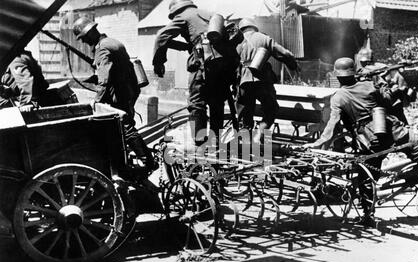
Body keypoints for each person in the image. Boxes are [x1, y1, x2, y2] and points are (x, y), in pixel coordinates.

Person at [304, 57, 418, 226]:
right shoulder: (369, 85)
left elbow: (332, 126)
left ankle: (367, 215)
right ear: (353, 72)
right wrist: (384, 86)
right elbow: (390, 102)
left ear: (337, 76)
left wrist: (316, 144)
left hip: (370, 141)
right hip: (392, 130)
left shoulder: (338, 97)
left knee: (367, 176)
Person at [152, 0, 241, 147]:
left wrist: (158, 62)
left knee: (196, 102)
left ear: (175, 11)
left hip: (204, 63)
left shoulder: (183, 16)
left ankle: (199, 143)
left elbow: (161, 36)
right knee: (216, 102)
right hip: (224, 63)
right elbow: (193, 42)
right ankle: (215, 142)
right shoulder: (206, 14)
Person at [73, 17, 156, 171]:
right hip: (128, 90)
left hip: (120, 94)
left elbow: (105, 79)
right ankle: (126, 161)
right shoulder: (111, 42)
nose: (83, 42)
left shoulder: (102, 48)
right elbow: (115, 70)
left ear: (90, 33)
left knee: (124, 126)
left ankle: (147, 162)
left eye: (83, 38)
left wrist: (96, 101)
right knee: (124, 124)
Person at [235, 18, 299, 143]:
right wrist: (293, 65)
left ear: (241, 29)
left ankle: (245, 144)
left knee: (245, 113)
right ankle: (260, 134)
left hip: (242, 81)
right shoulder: (262, 38)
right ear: (254, 27)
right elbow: (284, 53)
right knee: (271, 108)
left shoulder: (236, 41)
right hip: (261, 79)